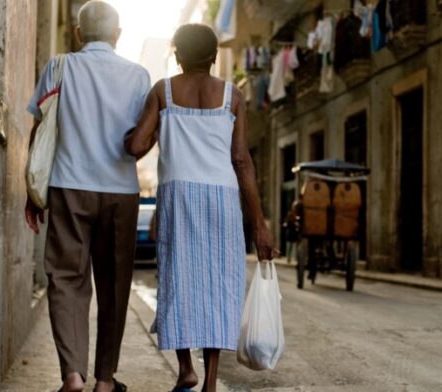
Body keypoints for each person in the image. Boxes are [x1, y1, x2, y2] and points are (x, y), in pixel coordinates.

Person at [125, 24, 277, 392]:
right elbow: (241, 161)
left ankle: (185, 370)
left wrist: (159, 130)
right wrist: (259, 224)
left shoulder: (163, 91)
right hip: (223, 199)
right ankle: (209, 382)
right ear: (213, 57)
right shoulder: (233, 96)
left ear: (177, 55)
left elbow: (135, 148)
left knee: (178, 279)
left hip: (179, 196)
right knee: (219, 286)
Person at [24, 1, 150, 391]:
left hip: (68, 186)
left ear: (79, 34)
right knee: (114, 286)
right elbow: (142, 140)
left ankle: (72, 375)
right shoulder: (139, 75)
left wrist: (34, 191)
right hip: (121, 193)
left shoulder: (60, 66)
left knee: (65, 279)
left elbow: (41, 131)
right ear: (118, 34)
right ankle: (105, 380)